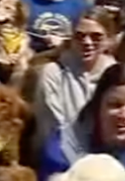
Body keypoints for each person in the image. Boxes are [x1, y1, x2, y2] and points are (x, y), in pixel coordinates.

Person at [36, 9, 116, 143]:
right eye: (80, 36)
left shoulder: (117, 77)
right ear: (71, 39)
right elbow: (52, 124)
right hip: (63, 154)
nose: (87, 42)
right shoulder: (54, 73)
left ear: (109, 40)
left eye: (96, 37)